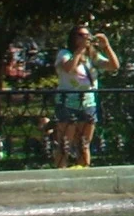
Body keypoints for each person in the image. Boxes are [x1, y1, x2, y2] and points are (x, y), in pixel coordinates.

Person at [51, 29, 119, 167]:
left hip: (88, 103)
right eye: (81, 35)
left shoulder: (92, 56)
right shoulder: (65, 54)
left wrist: (106, 46)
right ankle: (61, 175)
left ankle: (83, 172)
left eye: (87, 35)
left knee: (84, 144)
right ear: (73, 38)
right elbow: (69, 68)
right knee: (65, 144)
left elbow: (114, 66)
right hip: (67, 103)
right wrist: (79, 51)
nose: (85, 38)